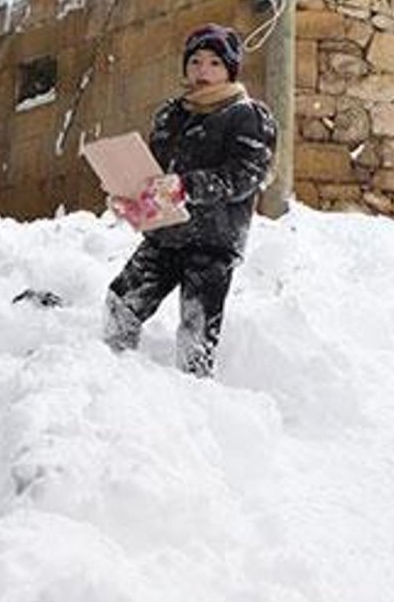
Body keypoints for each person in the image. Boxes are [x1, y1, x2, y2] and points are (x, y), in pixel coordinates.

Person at [103, 23, 277, 377]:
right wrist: (131, 197)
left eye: (214, 63)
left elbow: (245, 176)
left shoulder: (248, 116)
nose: (203, 72)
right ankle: (112, 379)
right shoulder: (171, 114)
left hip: (213, 242)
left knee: (196, 331)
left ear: (230, 69)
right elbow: (154, 174)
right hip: (165, 234)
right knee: (121, 303)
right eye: (195, 62)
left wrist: (188, 187)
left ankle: (195, 402)